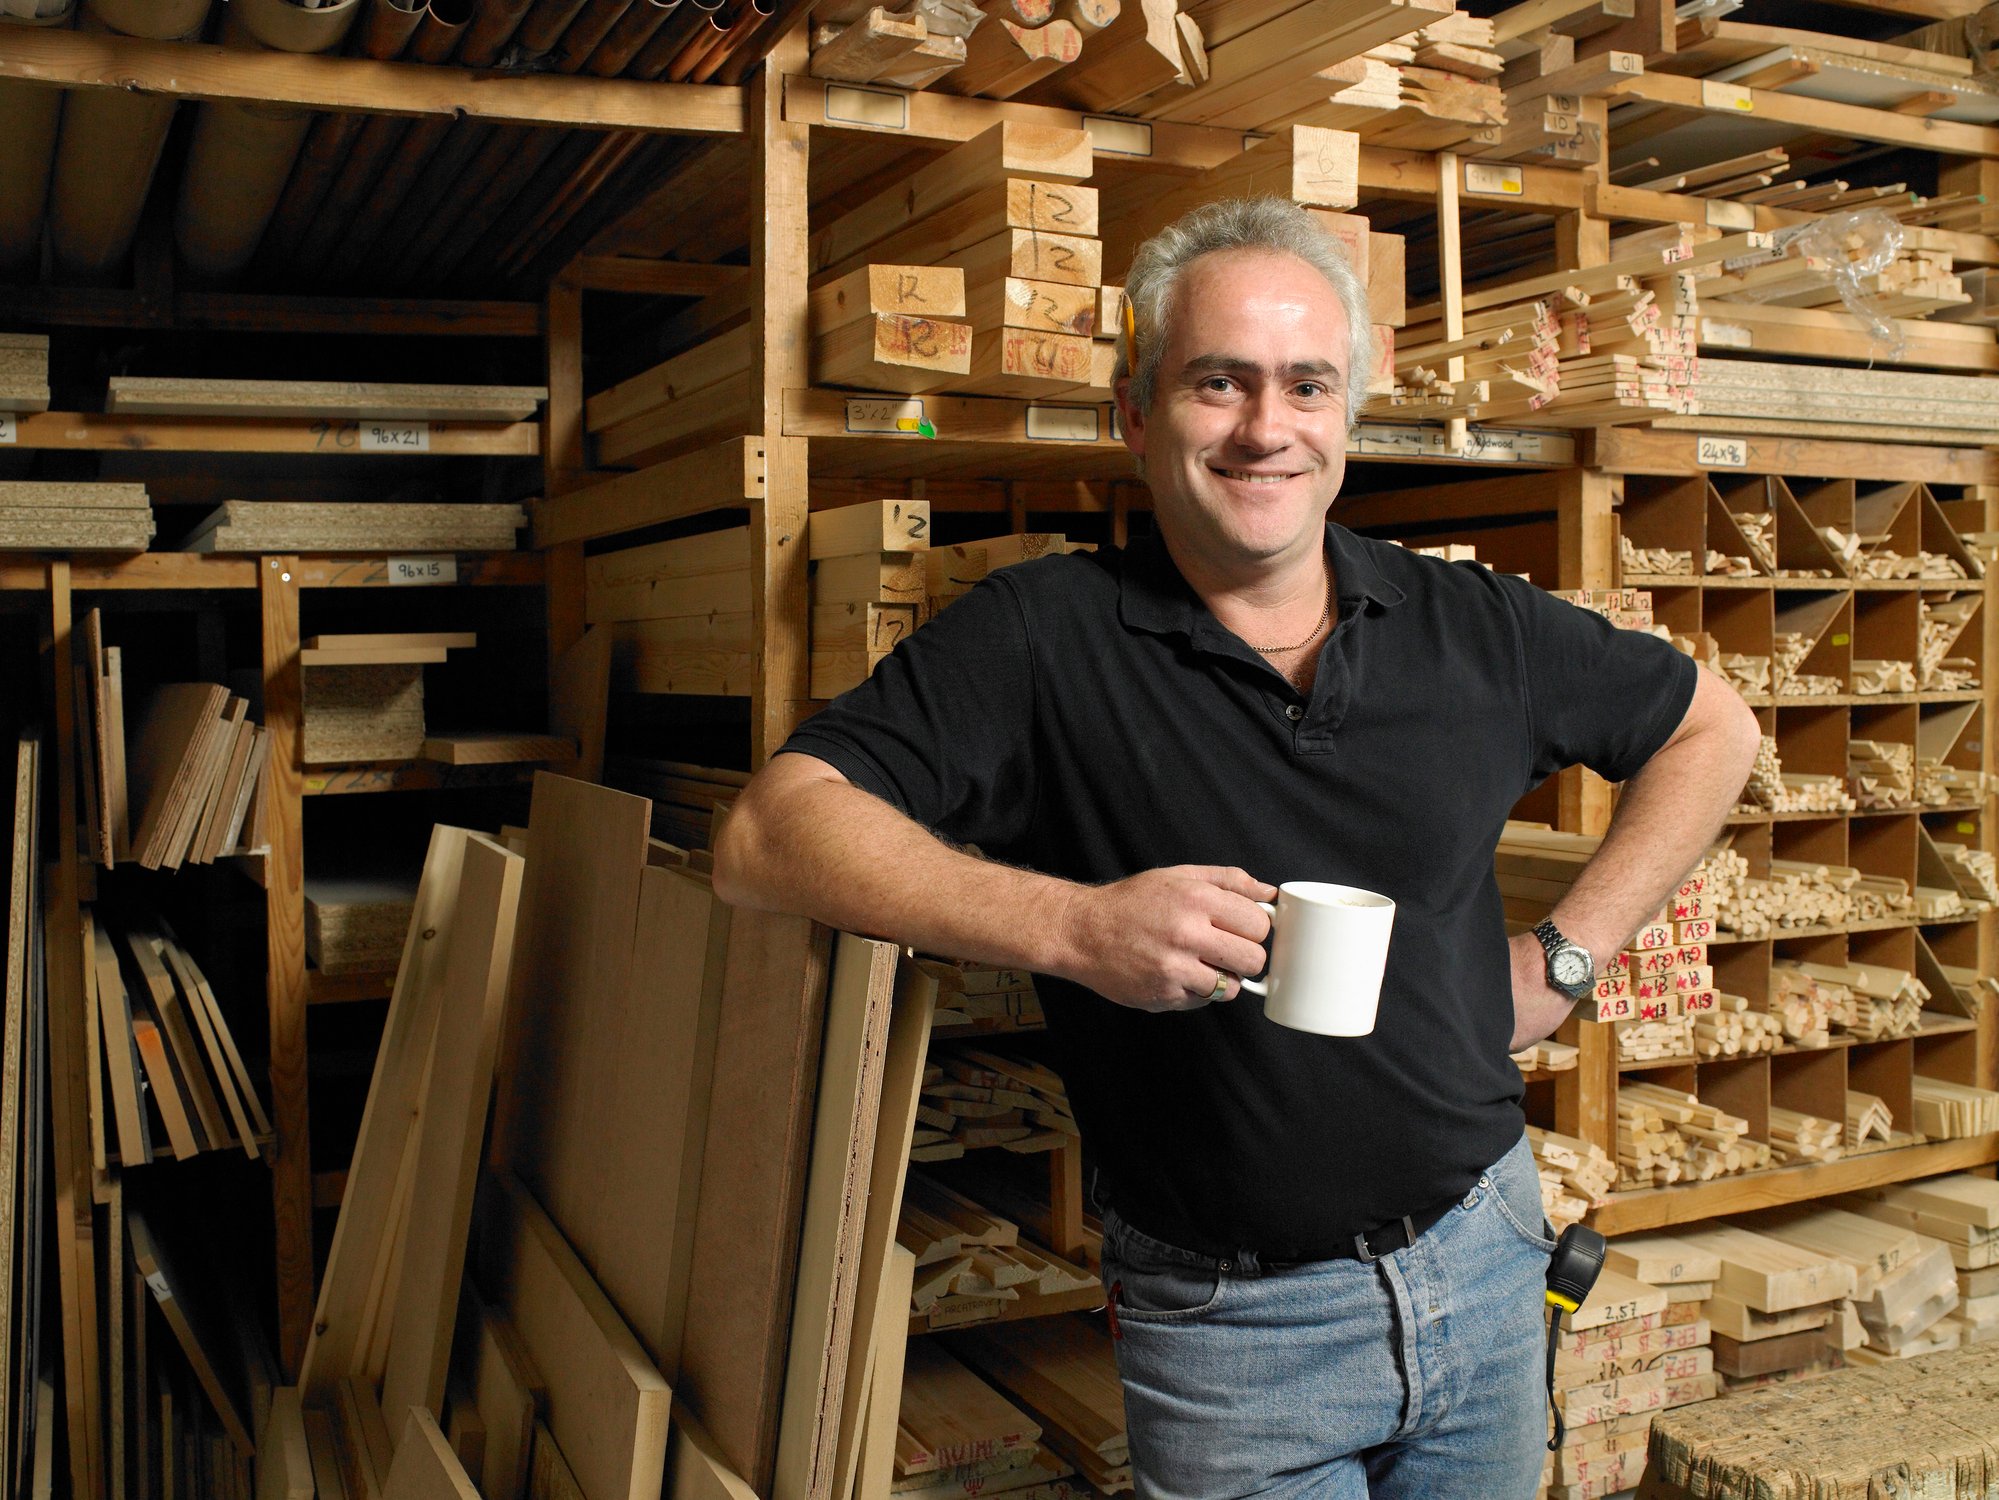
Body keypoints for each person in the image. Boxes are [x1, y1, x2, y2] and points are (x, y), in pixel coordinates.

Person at [712, 196, 1760, 1499]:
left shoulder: (1472, 628)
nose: (1268, 428)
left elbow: (1713, 727)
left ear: (1346, 415)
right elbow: (766, 834)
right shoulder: (1045, 637)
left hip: (1486, 1257)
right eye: (1220, 383)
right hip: (1234, 1332)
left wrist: (1563, 959)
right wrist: (1072, 926)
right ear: (1136, 415)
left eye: (1305, 386)